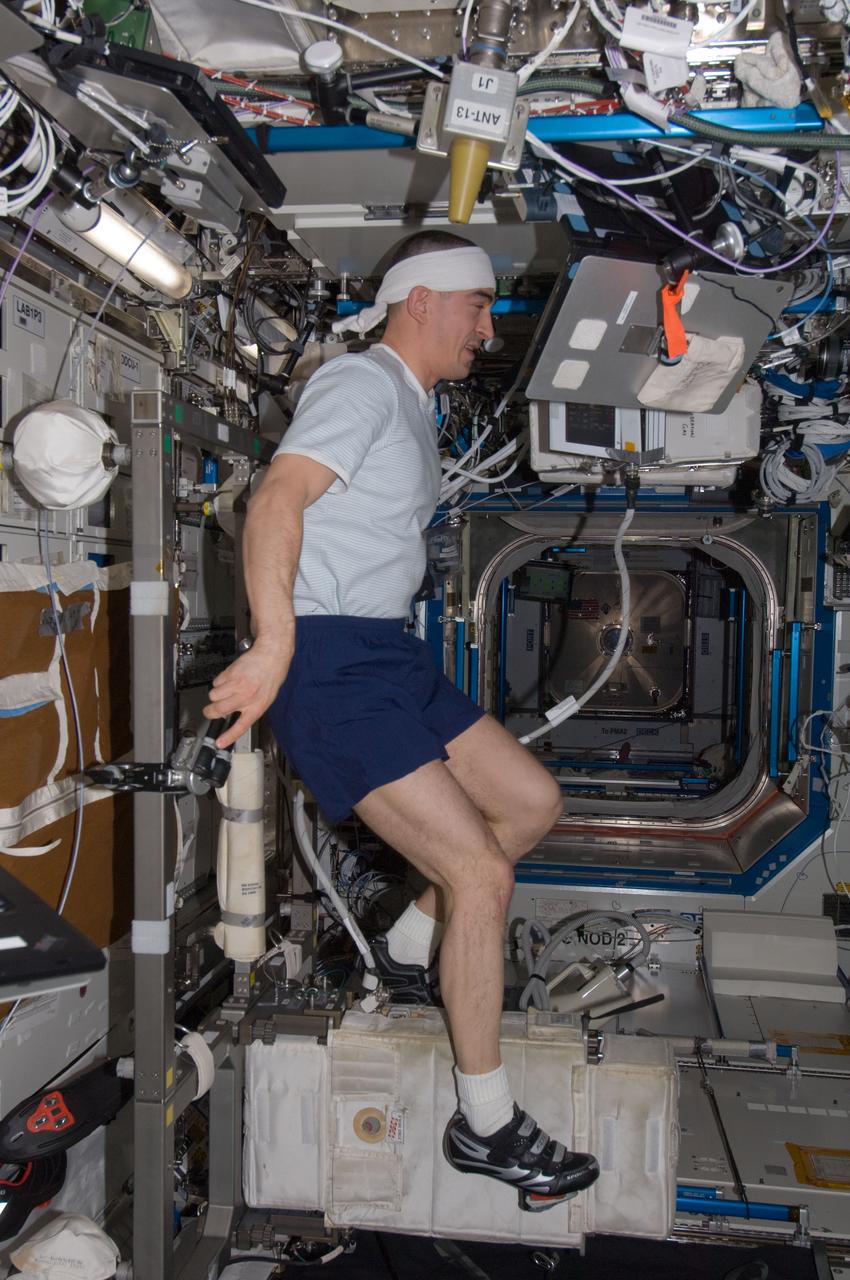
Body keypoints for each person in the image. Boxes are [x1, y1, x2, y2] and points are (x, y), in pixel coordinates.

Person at [205, 230, 600, 1211]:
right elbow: (275, 500)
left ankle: (415, 944)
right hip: (333, 662)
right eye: (477, 306)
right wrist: (273, 643)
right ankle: (488, 1122)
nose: (486, 326)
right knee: (480, 872)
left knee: (529, 799)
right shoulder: (361, 384)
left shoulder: (410, 408)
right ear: (419, 299)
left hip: (388, 651)